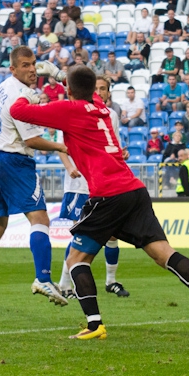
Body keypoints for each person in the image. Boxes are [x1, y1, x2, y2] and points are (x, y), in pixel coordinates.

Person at [10, 63, 189, 341]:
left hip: (108, 193)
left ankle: (94, 325)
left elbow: (17, 111)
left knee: (77, 259)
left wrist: (26, 93)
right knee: (163, 252)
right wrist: (61, 78)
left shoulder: (70, 110)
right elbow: (84, 89)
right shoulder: (101, 107)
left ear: (68, 89)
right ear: (93, 89)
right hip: (133, 190)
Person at [0, 47, 70, 312]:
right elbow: (31, 140)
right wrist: (62, 148)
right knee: (40, 219)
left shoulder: (0, 89)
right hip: (15, 161)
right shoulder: (23, 96)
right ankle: (43, 278)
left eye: (33, 64)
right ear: (13, 68)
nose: (32, 69)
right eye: (25, 65)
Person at [56, 76, 131, 299]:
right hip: (79, 184)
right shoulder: (74, 111)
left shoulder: (112, 116)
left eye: (103, 88)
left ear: (108, 93)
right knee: (79, 236)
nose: (99, 91)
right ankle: (64, 283)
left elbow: (113, 146)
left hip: (103, 184)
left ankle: (111, 281)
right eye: (95, 88)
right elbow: (62, 146)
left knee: (113, 235)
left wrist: (121, 155)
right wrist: (69, 166)